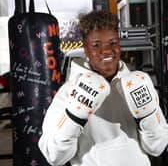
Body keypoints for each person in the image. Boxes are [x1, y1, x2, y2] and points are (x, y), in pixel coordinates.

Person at [38, 10, 168, 166]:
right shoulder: (67, 93)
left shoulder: (138, 85)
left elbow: (158, 147)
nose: (106, 50)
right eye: (96, 45)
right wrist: (73, 118)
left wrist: (147, 117)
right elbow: (54, 156)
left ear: (119, 45)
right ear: (86, 50)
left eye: (112, 43)